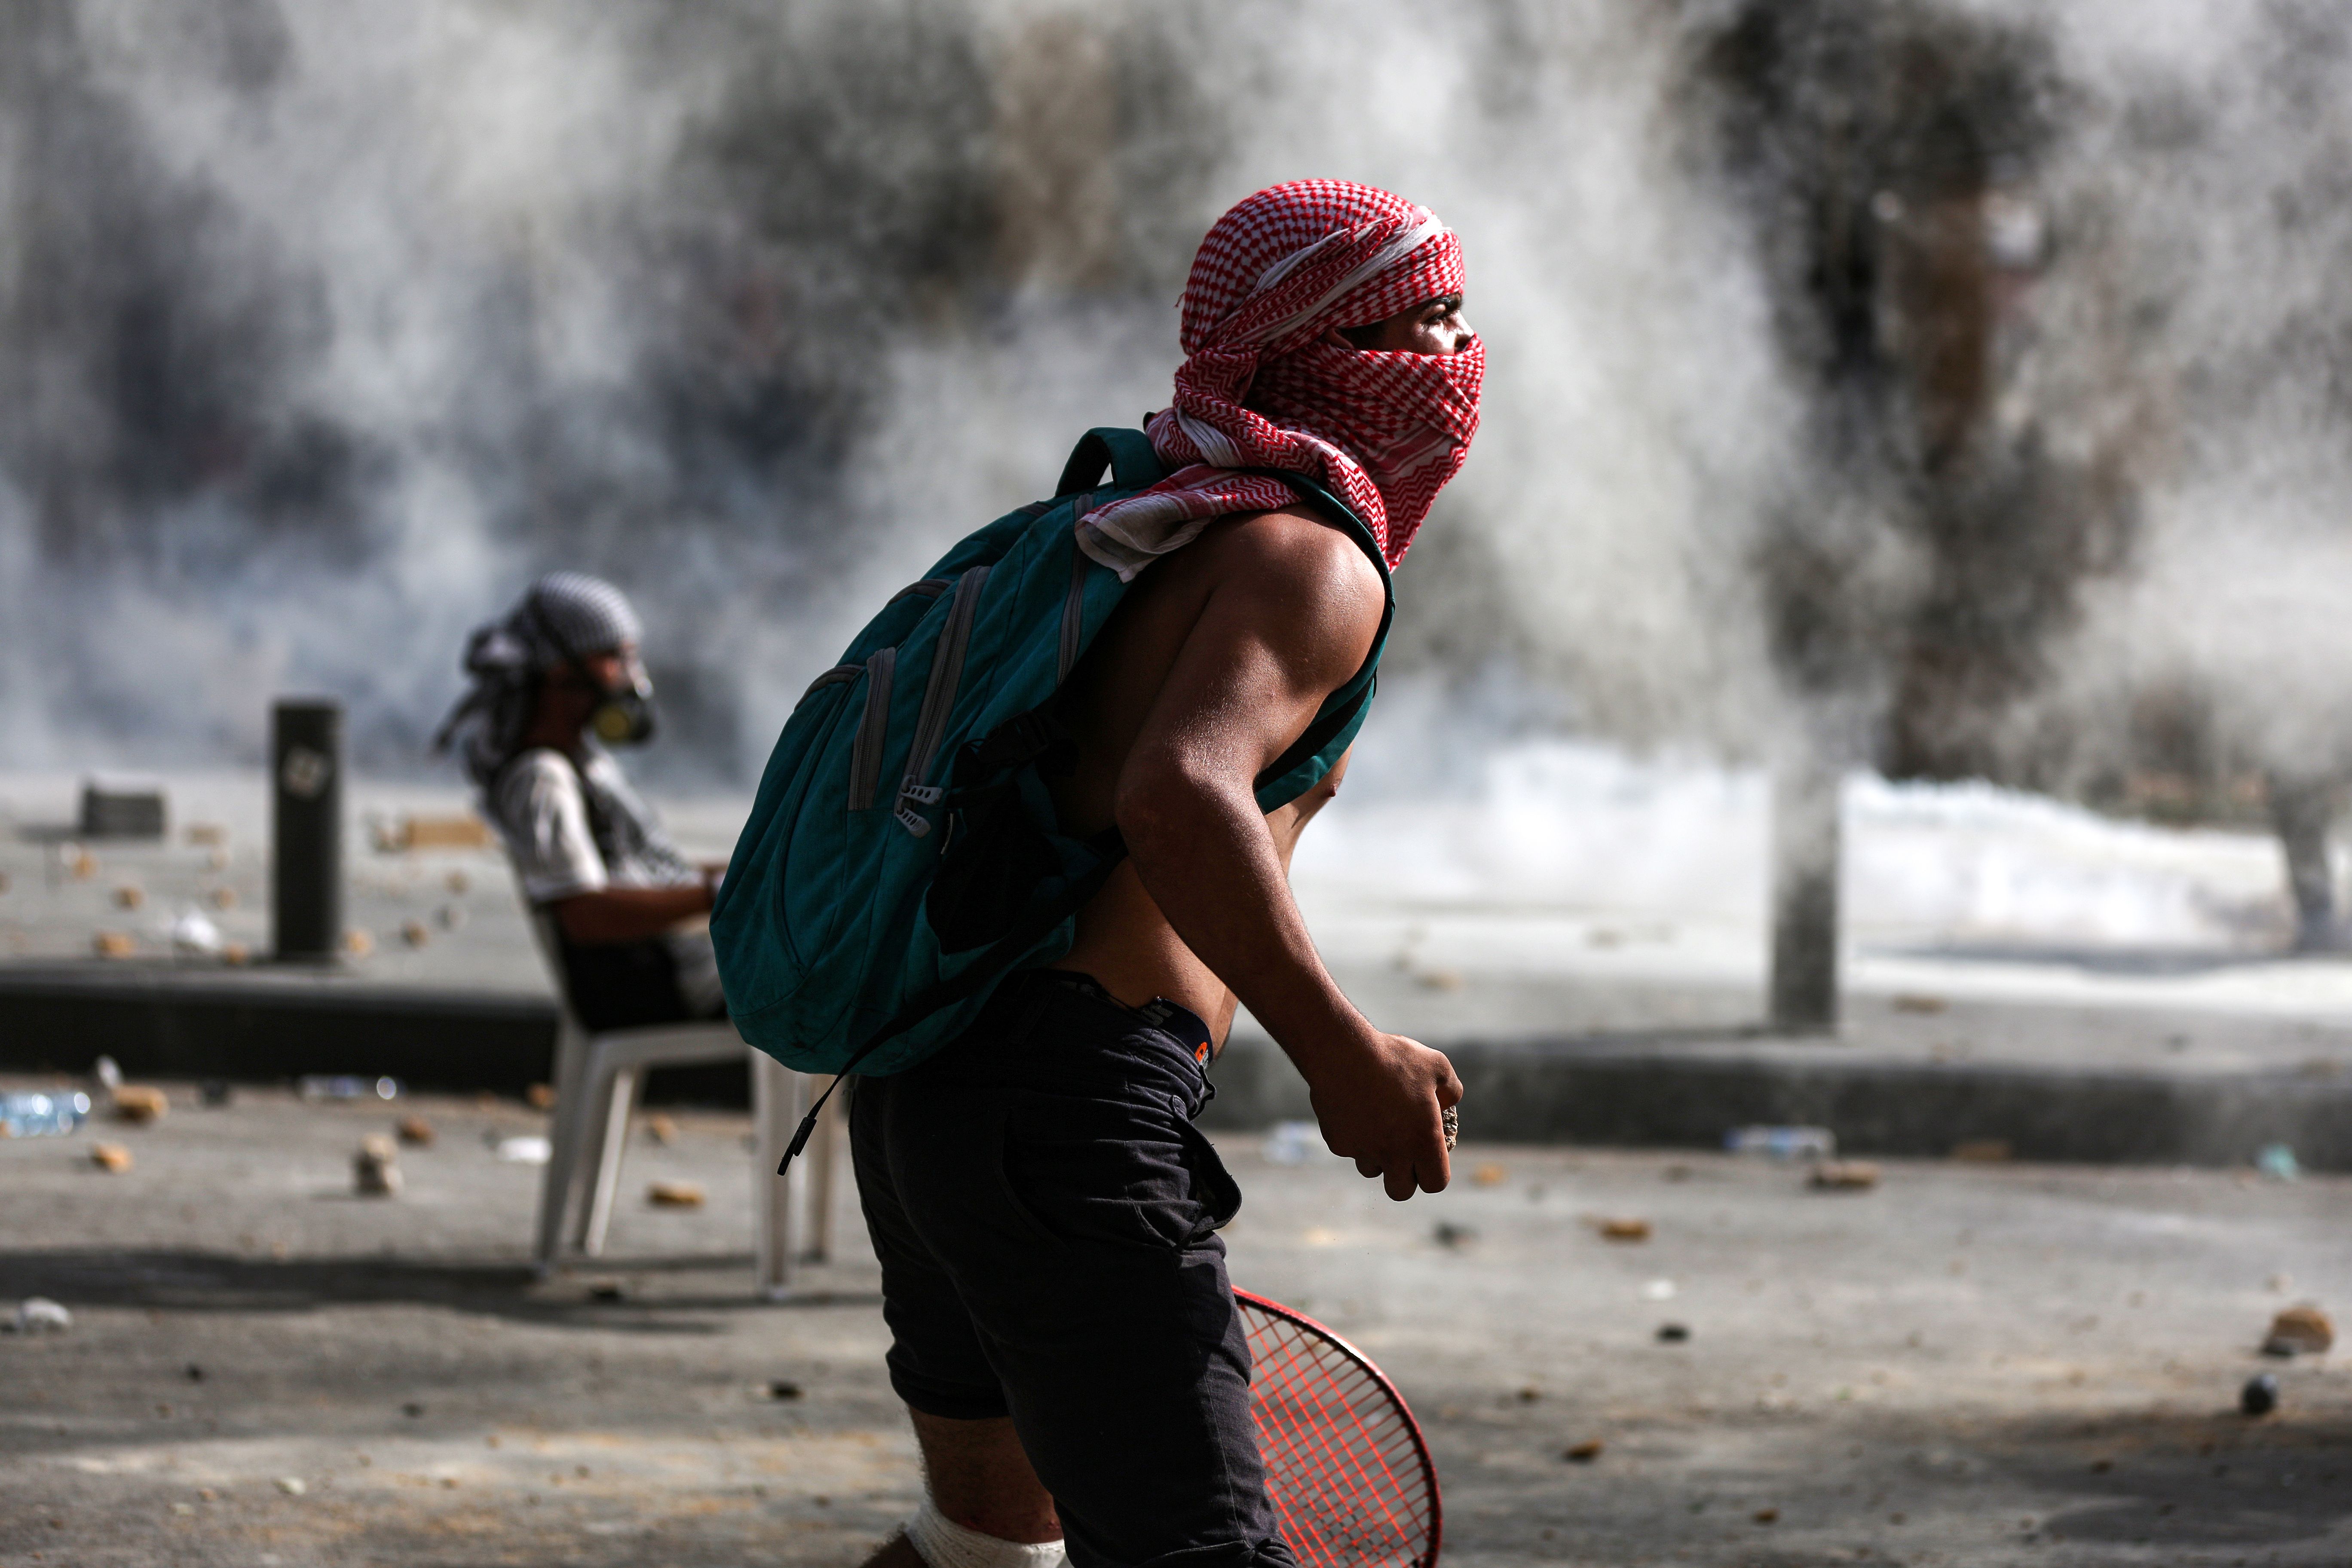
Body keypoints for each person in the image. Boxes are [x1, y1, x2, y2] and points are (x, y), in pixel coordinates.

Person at [851, 181, 1482, 1568]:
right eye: (1421, 326)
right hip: (1067, 1114)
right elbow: (1177, 794)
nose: (1459, 359)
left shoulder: (1151, 510)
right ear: (1315, 350)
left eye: (1457, 318)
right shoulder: (1308, 557)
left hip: (927, 1088)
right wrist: (1342, 1050)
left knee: (982, 1544)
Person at [434, 572, 729, 1030]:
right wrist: (714, 894)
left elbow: (647, 874)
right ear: (561, 672)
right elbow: (584, 914)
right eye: (616, 656)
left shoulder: (584, 760)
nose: (632, 677)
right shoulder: (542, 778)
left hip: (681, 969)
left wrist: (747, 873)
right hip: (659, 991)